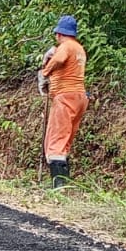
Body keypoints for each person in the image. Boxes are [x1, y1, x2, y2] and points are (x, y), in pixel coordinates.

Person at [38, 14, 89, 187]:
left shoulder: (65, 47)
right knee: (66, 138)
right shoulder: (79, 48)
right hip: (80, 97)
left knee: (55, 139)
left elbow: (59, 60)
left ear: (59, 34)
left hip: (65, 97)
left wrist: (45, 73)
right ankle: (64, 181)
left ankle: (59, 186)